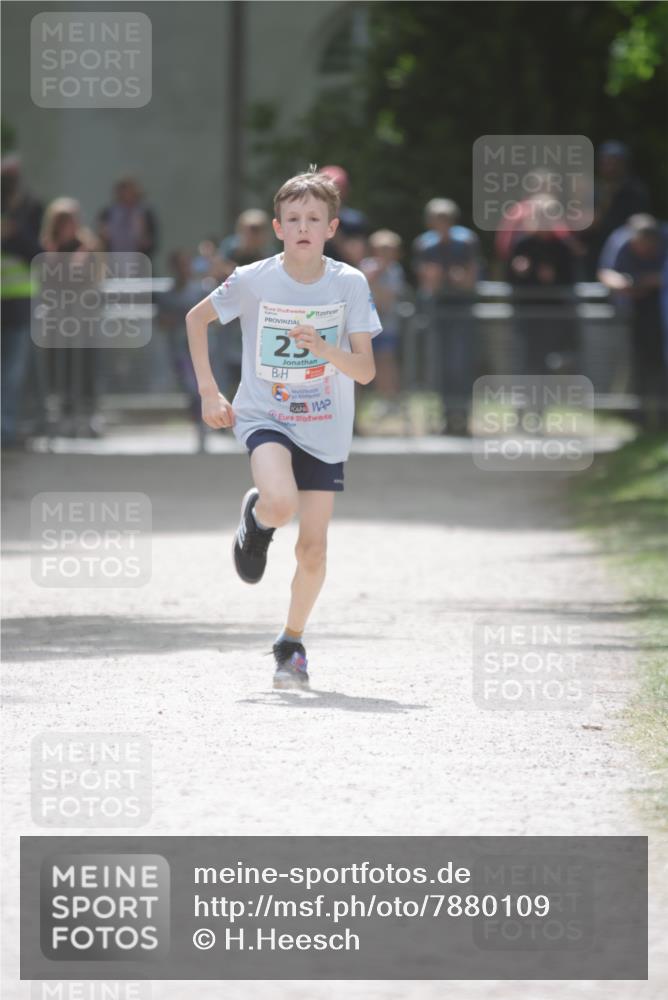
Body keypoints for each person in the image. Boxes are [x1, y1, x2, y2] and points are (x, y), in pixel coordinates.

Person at [186, 169, 381, 690]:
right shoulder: (253, 278)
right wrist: (209, 391)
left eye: (313, 219)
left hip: (326, 425)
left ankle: (290, 642)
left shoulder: (349, 284)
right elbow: (196, 319)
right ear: (277, 227)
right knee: (280, 502)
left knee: (313, 550)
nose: (303, 226)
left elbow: (364, 371)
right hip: (265, 415)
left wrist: (322, 348)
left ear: (331, 227)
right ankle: (258, 516)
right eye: (293, 218)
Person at [413, 198, 481, 435]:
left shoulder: (466, 241)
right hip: (437, 312)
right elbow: (427, 282)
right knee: (440, 366)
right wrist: (445, 278)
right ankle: (445, 417)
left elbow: (470, 280)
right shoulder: (425, 245)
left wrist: (454, 279)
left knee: (460, 365)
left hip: (462, 310)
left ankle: (463, 417)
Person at [598, 214, 668, 427]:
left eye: (647, 248)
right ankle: (639, 417)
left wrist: (648, 282)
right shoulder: (620, 241)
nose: (643, 252)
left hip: (660, 312)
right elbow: (605, 273)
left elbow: (659, 279)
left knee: (661, 364)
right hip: (631, 314)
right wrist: (626, 285)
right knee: (635, 364)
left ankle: (663, 417)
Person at [1, 153, 43, 448]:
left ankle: (6, 431)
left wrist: (12, 235)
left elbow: (35, 251)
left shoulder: (30, 210)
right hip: (12, 306)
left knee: (13, 375)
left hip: (18, 306)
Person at [360, 230, 406, 409]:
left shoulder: (395, 271)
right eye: (381, 249)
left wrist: (374, 280)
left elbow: (384, 301)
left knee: (385, 363)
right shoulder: (365, 266)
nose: (385, 255)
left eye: (389, 250)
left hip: (387, 326)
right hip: (364, 328)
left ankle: (389, 403)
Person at [97, 176, 158, 263]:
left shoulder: (145, 213)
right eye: (124, 191)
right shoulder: (108, 212)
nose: (127, 195)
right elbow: (101, 239)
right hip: (114, 262)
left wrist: (144, 237)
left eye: (130, 191)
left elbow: (152, 242)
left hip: (138, 263)